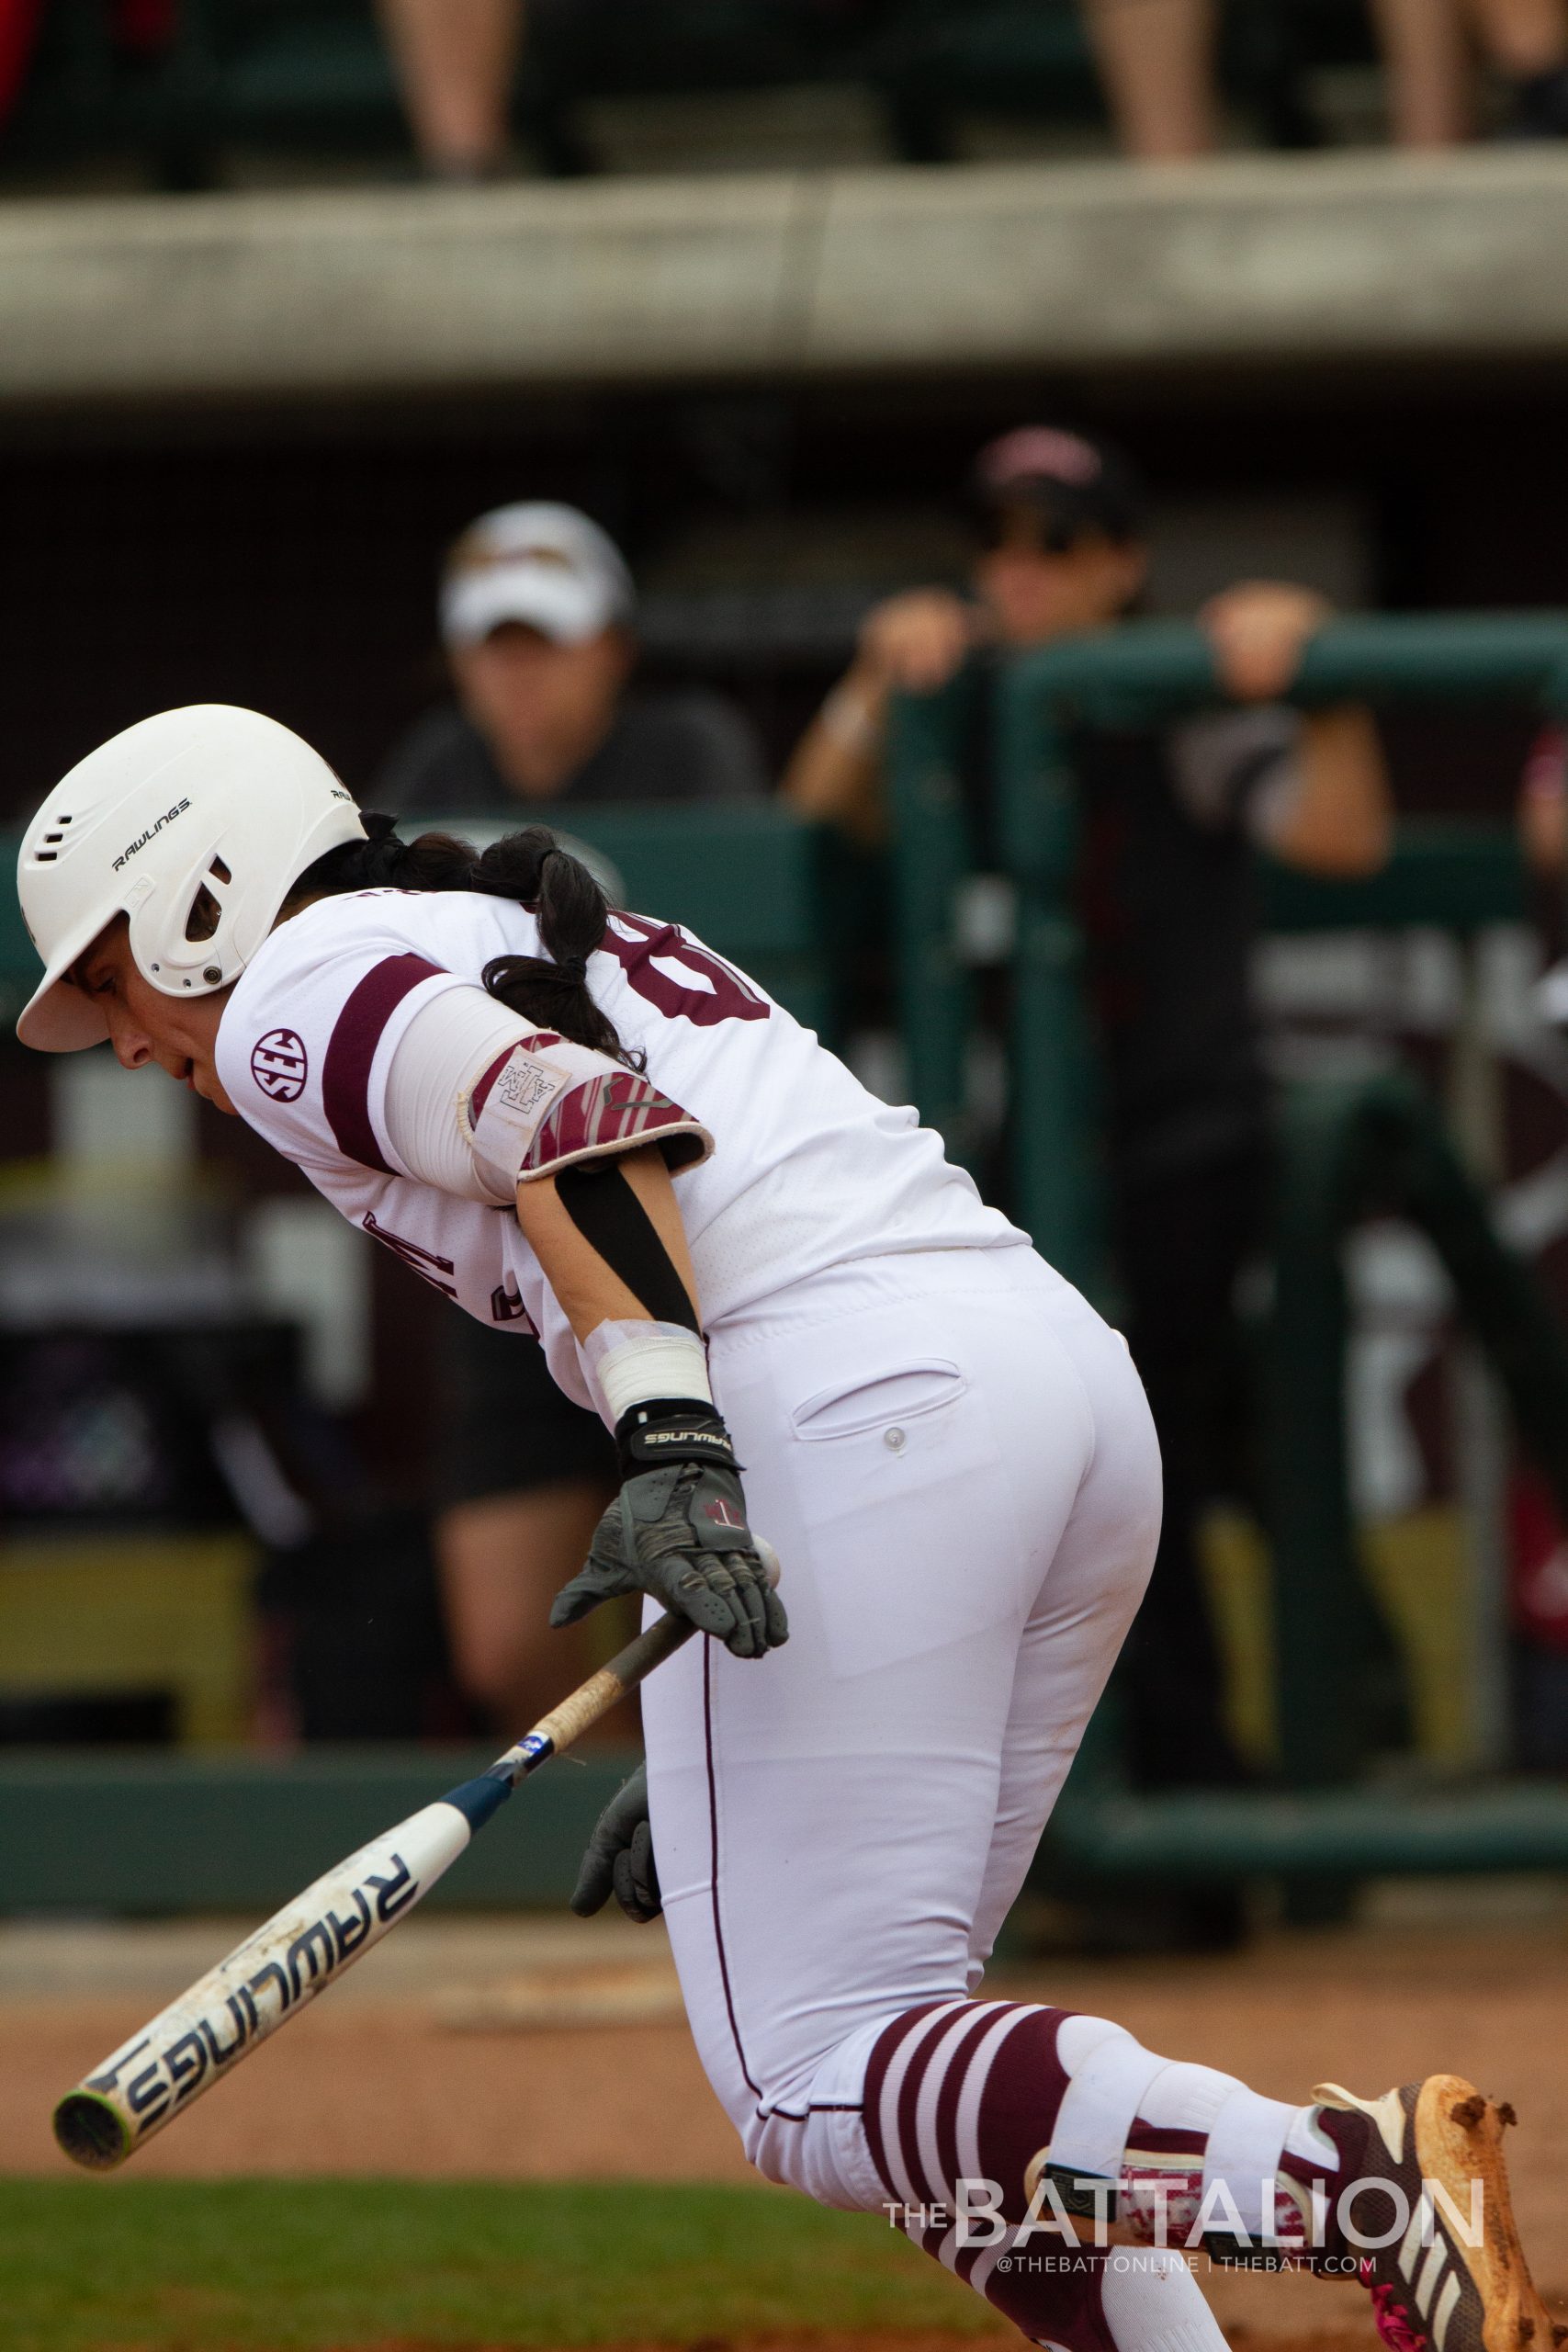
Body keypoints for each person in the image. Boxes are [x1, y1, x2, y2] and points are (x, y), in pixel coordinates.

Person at [15, 703, 1551, 2352]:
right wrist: (731, 1753)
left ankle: (1347, 2186)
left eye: (107, 978)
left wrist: (672, 1443)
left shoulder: (290, 993)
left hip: (853, 1407)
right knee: (916, 2080)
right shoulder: (450, 929)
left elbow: (570, 1118)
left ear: (201, 893)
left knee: (816, 2074)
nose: (114, 1037)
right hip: (1036, 1391)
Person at [785, 424, 1392, 1812]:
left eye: (1057, 543)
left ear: (1123, 564)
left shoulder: (1173, 692)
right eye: (998, 541)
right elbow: (813, 813)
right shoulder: (960, 689)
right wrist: (877, 677)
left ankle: (1198, 1795)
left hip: (1185, 1143)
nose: (1020, 571)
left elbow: (1344, 838)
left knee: (1137, 1452)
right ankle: (1152, 1794)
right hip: (1019, 1166)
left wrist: (1325, 681)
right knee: (1072, 1460)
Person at [377, 498, 770, 1734]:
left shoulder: (690, 750)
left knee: (733, 1610)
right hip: (515, 1245)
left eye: (546, 641)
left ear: (611, 644)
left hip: (693, 1215)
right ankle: (646, 1824)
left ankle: (719, 1834)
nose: (521, 675)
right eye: (497, 645)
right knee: (507, 1644)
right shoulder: (431, 774)